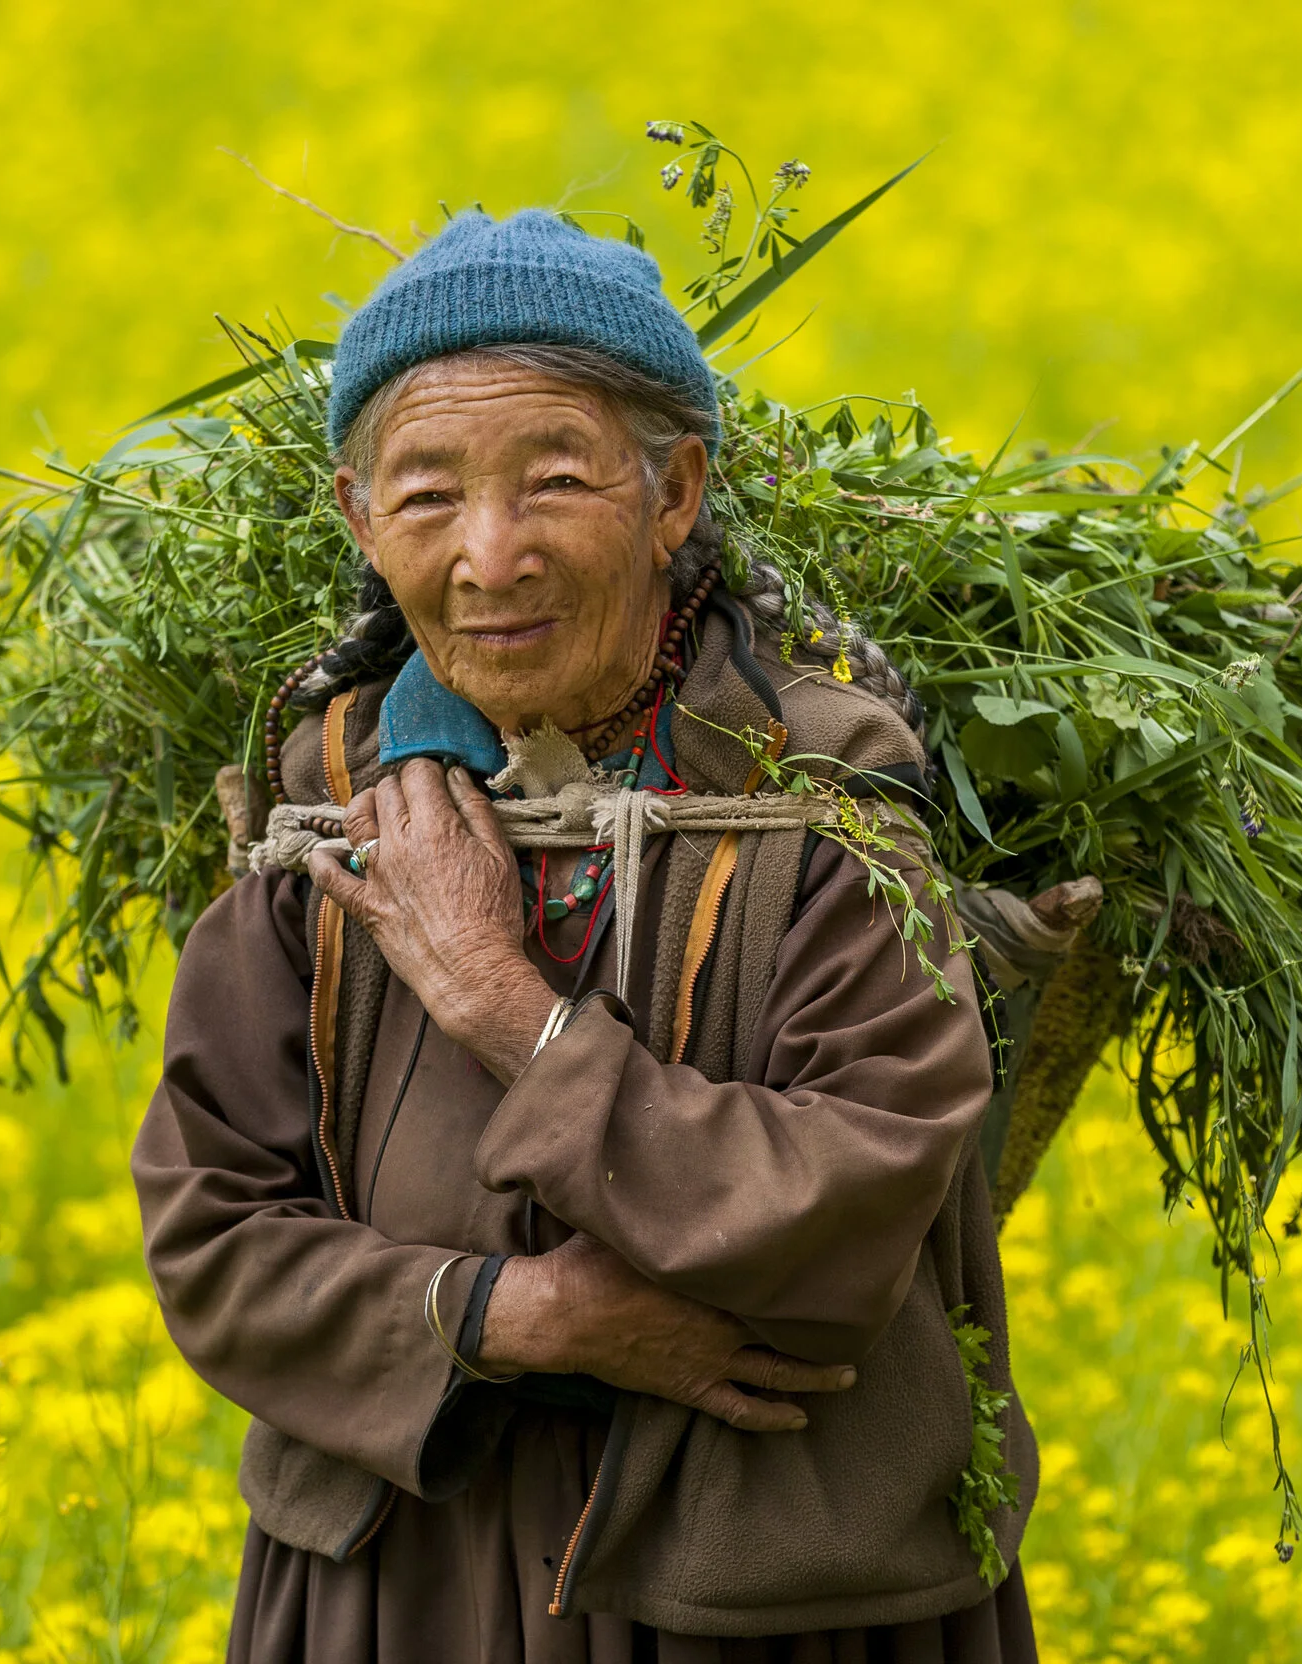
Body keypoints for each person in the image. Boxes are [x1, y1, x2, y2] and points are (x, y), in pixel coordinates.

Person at [133, 208, 1037, 1663]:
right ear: (359, 520)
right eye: (428, 496)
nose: (492, 558)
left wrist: (506, 1006)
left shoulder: (819, 805)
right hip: (400, 1586)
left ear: (675, 493)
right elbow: (212, 1230)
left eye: (556, 480)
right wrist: (520, 1314)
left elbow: (861, 1193)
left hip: (760, 1599)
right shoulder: (327, 817)